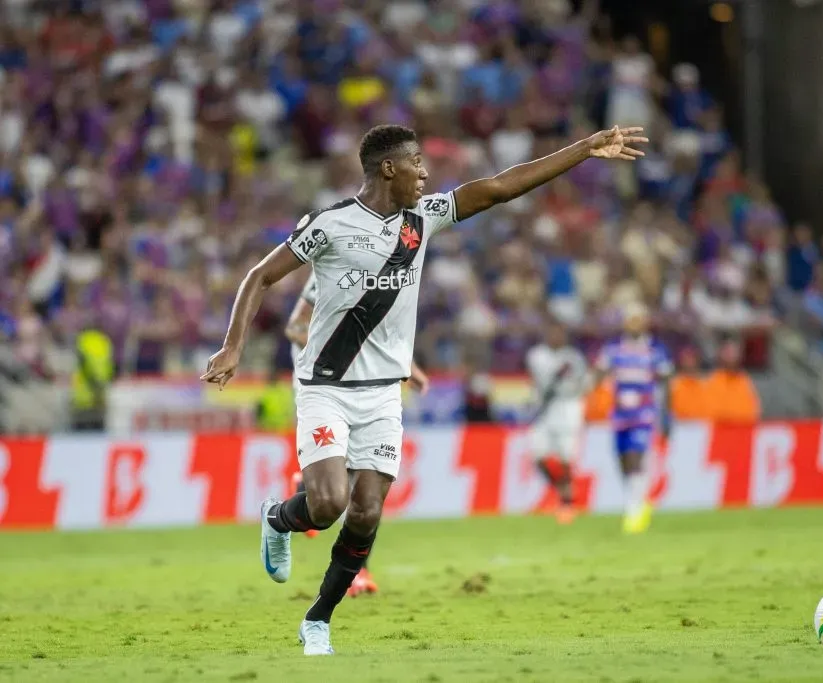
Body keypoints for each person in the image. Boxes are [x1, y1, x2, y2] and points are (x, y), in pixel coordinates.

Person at [201, 123, 647, 655]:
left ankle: (318, 619)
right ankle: (278, 517)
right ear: (389, 167)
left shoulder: (423, 219)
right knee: (326, 504)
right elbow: (259, 276)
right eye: (417, 162)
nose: (426, 173)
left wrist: (586, 148)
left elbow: (501, 187)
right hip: (327, 387)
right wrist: (233, 347)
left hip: (384, 394)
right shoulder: (330, 225)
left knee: (365, 512)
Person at [282, 272, 429, 598]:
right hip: (321, 383)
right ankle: (306, 492)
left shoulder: (382, 271)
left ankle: (359, 570)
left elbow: (374, 333)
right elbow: (295, 327)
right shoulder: (332, 263)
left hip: (366, 384)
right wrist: (339, 355)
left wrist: (408, 364)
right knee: (343, 483)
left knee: (367, 486)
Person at [591, 301, 673, 534]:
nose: (634, 323)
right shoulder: (614, 349)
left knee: (635, 457)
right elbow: (599, 373)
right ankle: (638, 501)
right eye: (630, 319)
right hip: (619, 414)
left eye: (638, 319)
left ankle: (633, 511)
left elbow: (665, 383)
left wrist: (667, 416)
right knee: (623, 461)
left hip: (644, 414)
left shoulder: (655, 350)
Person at [525, 321, 590, 524]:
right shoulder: (537, 355)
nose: (556, 337)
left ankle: (566, 503)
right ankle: (562, 490)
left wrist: (578, 390)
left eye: (560, 333)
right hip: (544, 409)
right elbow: (544, 382)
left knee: (565, 458)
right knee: (539, 456)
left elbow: (583, 382)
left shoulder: (574, 356)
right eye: (553, 332)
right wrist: (558, 373)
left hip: (568, 407)